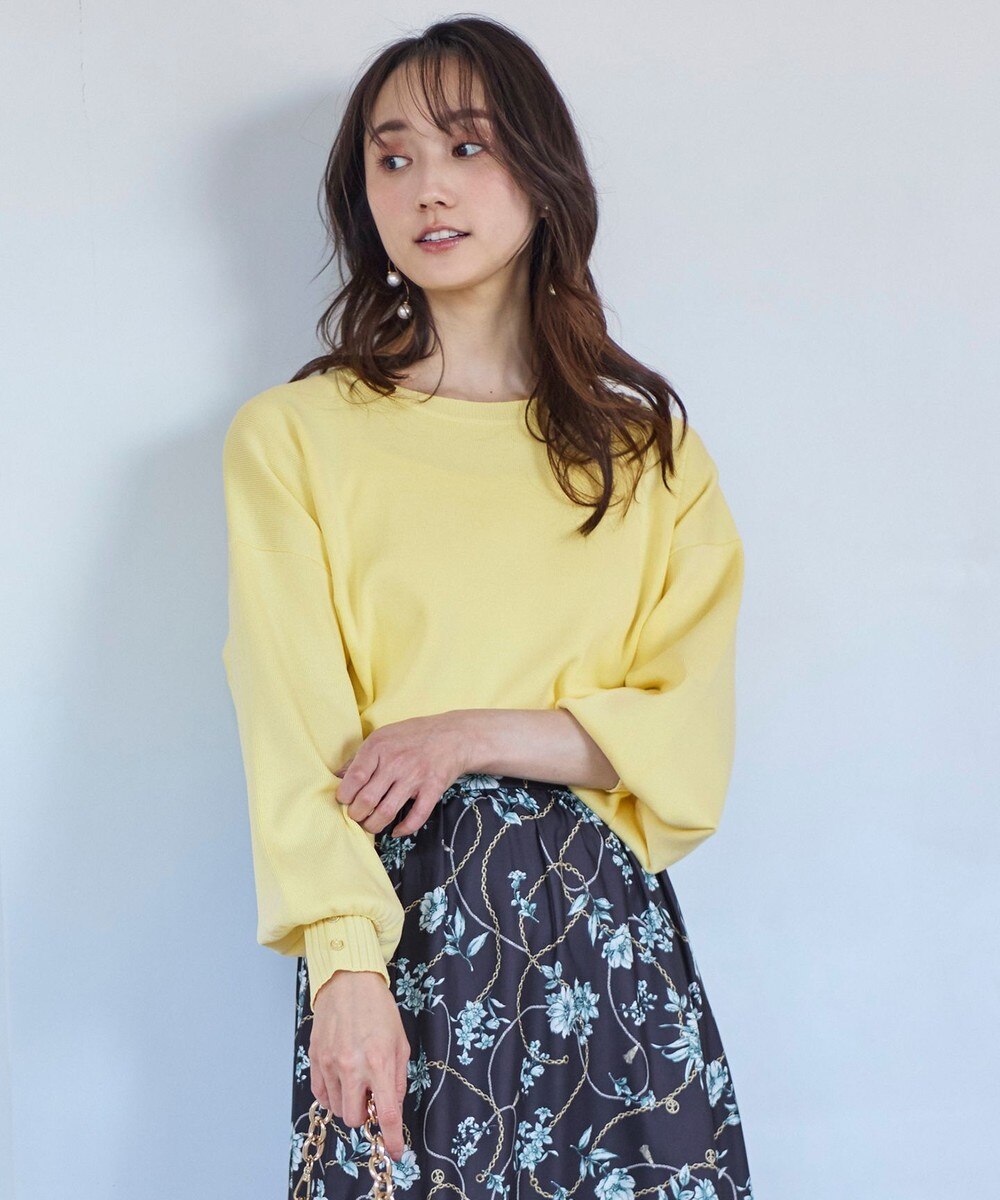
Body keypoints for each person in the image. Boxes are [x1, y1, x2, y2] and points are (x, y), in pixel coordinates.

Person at [221, 15, 754, 1200]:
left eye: (467, 147)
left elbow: (684, 739)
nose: (427, 187)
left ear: (541, 171)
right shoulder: (297, 439)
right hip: (402, 934)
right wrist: (342, 968)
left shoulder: (649, 454)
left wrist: (461, 734)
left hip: (607, 943)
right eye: (393, 157)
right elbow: (289, 723)